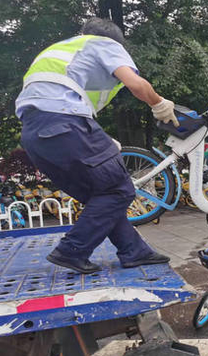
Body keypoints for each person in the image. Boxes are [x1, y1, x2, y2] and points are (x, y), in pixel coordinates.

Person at [15, 18, 178, 274]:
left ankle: (134, 251)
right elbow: (136, 84)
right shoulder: (103, 44)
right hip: (65, 122)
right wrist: (159, 104)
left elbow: (57, 96)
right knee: (118, 189)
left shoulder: (59, 51)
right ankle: (73, 250)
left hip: (35, 134)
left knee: (101, 195)